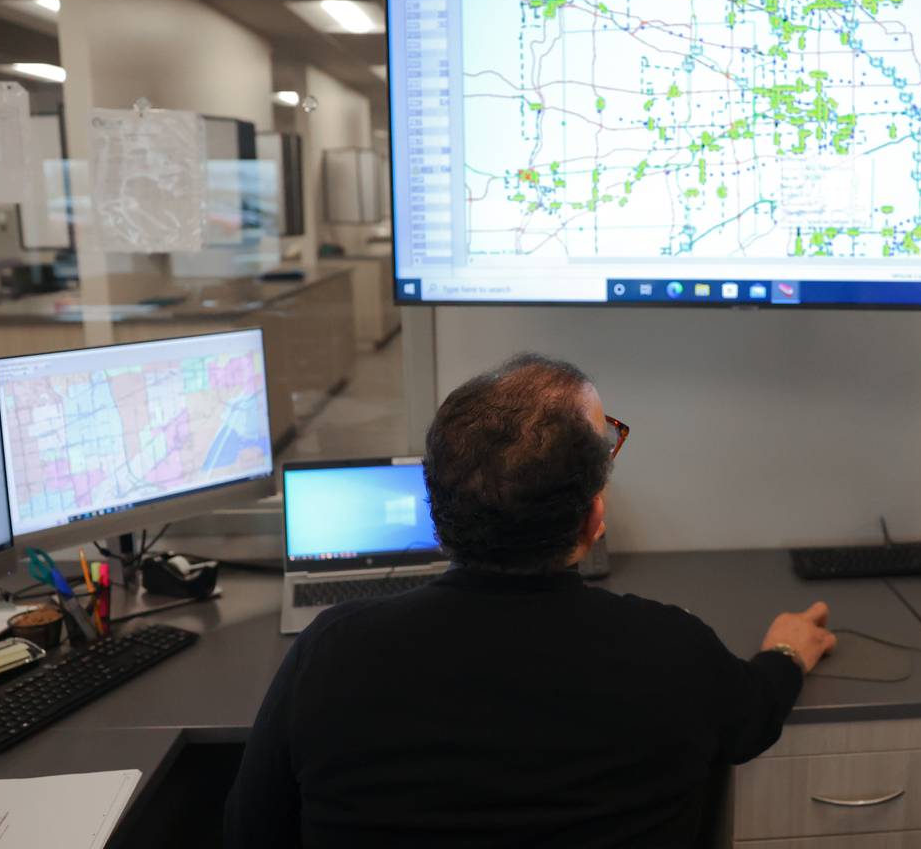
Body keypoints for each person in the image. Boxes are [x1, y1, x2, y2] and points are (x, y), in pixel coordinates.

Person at [225, 354, 837, 848]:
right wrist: (787, 649)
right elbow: (752, 720)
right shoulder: (672, 647)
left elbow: (251, 832)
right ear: (594, 518)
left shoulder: (331, 652)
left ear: (436, 513)